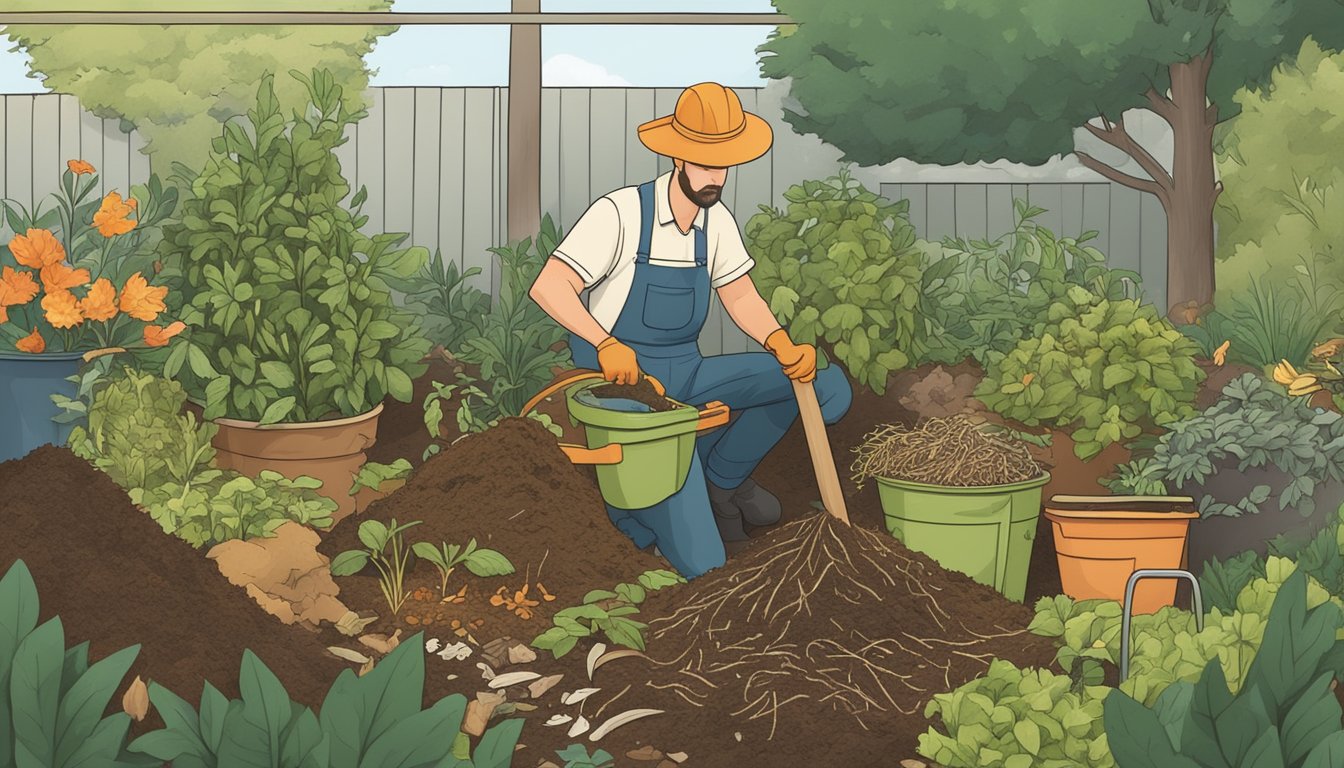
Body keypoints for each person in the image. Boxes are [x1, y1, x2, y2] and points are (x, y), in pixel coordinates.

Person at [529, 82, 852, 579]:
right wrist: (605, 343)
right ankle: (642, 512)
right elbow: (550, 287)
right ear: (677, 157)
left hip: (686, 372)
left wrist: (780, 343)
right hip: (628, 395)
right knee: (707, 566)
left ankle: (722, 480)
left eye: (723, 164)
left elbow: (739, 294)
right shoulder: (620, 213)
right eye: (704, 163)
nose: (715, 177)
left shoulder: (714, 220)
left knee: (824, 386)